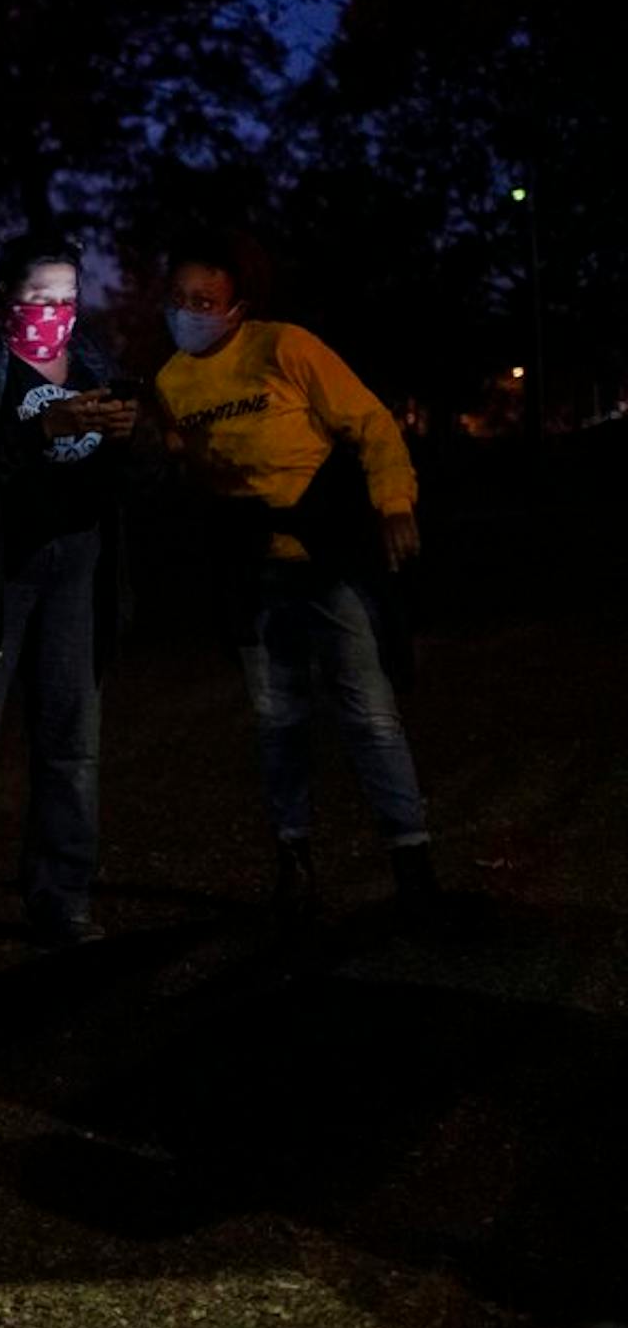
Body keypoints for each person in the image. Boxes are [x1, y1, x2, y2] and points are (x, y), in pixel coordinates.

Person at [152, 231, 439, 922]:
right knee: (276, 716)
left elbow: (368, 421)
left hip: (321, 556)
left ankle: (413, 862)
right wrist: (179, 463)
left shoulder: (283, 347)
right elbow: (184, 468)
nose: (190, 310)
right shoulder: (171, 382)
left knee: (368, 711)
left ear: (237, 305)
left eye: (206, 299)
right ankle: (294, 858)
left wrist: (393, 502)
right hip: (251, 569)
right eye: (180, 298)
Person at [0, 234, 140, 960]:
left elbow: (131, 480)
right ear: (4, 295)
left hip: (77, 565)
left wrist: (130, 437)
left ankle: (63, 899)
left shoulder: (95, 360)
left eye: (65, 298)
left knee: (72, 742)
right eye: (37, 298)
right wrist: (41, 427)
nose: (52, 313)